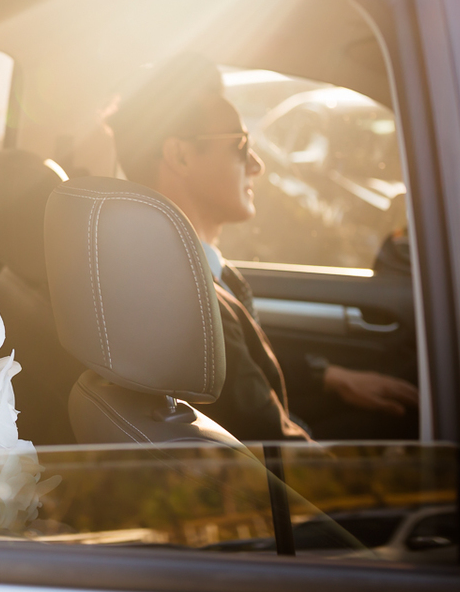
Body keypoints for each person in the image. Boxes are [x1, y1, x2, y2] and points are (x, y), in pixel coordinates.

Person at [105, 53, 418, 442]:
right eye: (240, 144)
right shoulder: (189, 305)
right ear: (181, 155)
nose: (257, 164)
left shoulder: (178, 274)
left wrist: (328, 377)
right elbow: (280, 450)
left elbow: (243, 371)